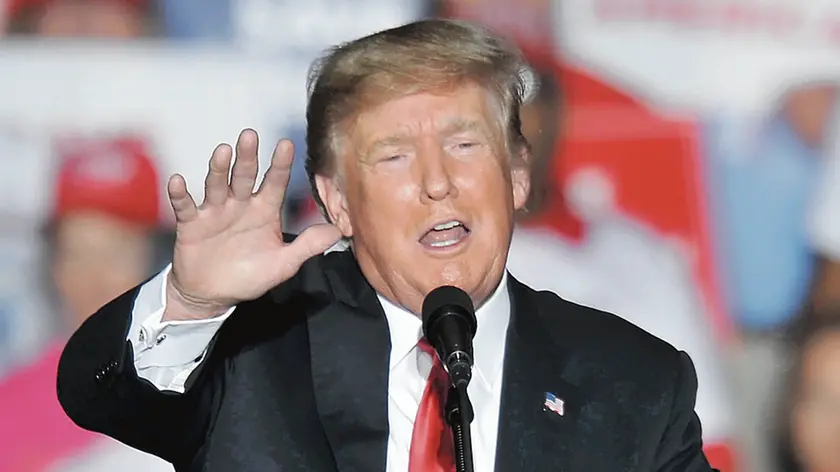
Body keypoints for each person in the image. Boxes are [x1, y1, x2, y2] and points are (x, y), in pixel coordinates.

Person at [57, 20, 717, 471]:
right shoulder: (253, 347)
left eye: (464, 145)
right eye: (394, 156)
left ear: (517, 172)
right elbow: (95, 392)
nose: (437, 183)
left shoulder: (635, 384)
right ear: (337, 200)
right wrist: (189, 299)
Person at [0, 135, 173, 471]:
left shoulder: (213, 392)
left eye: (115, 254)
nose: (93, 279)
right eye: (75, 254)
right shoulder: (12, 404)